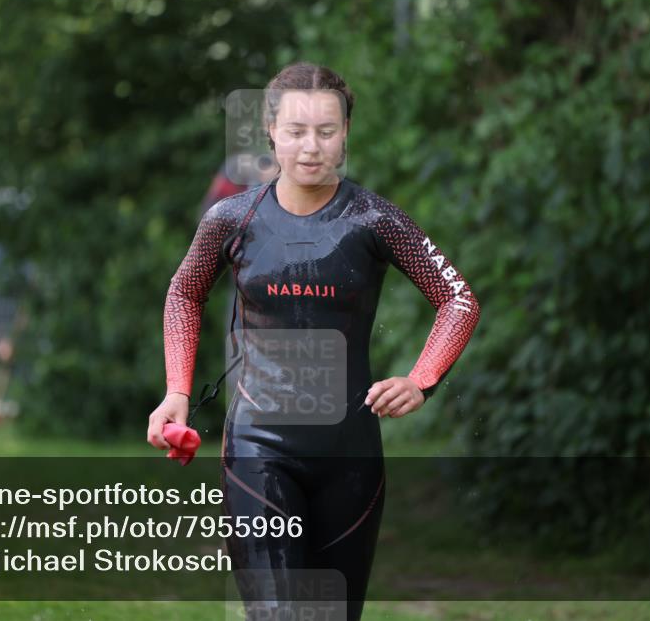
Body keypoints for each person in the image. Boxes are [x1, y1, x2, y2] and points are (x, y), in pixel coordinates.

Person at [149, 63, 481, 620]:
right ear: (271, 132)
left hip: (350, 457)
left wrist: (421, 379)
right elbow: (184, 293)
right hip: (258, 447)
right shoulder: (232, 218)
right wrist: (177, 391)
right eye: (297, 131)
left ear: (346, 133)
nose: (311, 146)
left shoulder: (375, 219)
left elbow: (459, 300)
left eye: (326, 132)